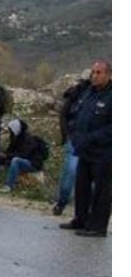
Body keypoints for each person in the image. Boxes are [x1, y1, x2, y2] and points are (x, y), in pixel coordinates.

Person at [60, 60, 112, 237]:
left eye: (99, 73)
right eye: (93, 72)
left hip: (103, 153)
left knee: (102, 191)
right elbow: (77, 113)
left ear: (108, 75)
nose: (95, 76)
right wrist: (74, 133)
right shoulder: (89, 92)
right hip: (84, 150)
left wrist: (91, 138)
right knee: (81, 187)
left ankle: (98, 226)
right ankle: (81, 219)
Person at [53, 77, 90, 215]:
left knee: (89, 175)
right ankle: (62, 203)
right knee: (71, 171)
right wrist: (66, 135)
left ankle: (85, 210)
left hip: (92, 141)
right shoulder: (79, 93)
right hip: (75, 138)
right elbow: (64, 114)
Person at [0, 119, 45, 193]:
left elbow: (23, 154)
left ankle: (9, 186)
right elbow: (10, 151)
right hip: (20, 159)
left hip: (32, 163)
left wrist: (7, 156)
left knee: (16, 160)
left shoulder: (29, 139)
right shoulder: (16, 138)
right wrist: (4, 155)